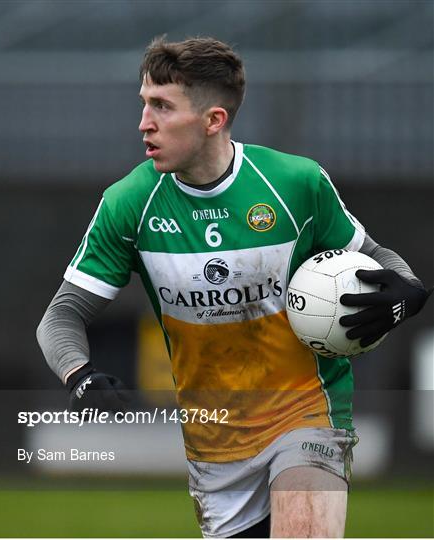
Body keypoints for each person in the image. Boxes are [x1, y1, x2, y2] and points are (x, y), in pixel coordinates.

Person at [37, 36, 431, 538]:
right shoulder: (129, 205)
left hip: (307, 412)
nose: (144, 123)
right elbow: (61, 316)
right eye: (143, 104)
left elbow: (379, 259)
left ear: (213, 120)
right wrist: (81, 377)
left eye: (161, 106)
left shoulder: (294, 183)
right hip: (215, 444)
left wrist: (406, 293)